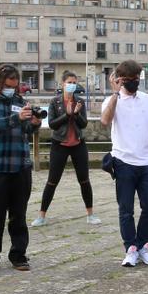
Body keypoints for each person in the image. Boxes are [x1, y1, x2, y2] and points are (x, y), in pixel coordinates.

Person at [102, 59, 148, 267]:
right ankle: (130, 248)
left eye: (136, 79)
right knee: (126, 209)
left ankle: (143, 245)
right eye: (129, 79)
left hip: (147, 162)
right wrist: (115, 94)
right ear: (120, 80)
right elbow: (105, 120)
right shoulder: (112, 101)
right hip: (123, 161)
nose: (133, 83)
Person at [0, 65, 40, 271]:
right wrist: (17, 118)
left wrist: (35, 123)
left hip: (20, 165)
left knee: (19, 214)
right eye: (7, 86)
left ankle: (19, 254)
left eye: (14, 85)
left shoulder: (20, 102)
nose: (11, 89)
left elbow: (27, 129)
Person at [33, 71, 100, 227]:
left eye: (74, 82)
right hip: (59, 145)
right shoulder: (55, 102)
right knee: (52, 181)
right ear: (62, 84)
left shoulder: (80, 101)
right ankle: (41, 216)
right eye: (69, 82)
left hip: (78, 144)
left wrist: (75, 114)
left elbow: (83, 124)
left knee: (84, 180)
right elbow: (52, 124)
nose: (72, 85)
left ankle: (90, 214)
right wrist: (67, 114)